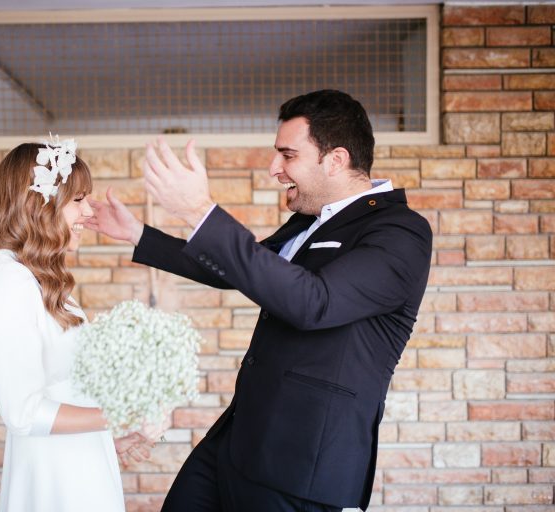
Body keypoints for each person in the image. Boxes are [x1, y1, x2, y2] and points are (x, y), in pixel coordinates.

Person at [86, 90, 433, 512]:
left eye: (288, 155)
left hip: (303, 467)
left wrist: (200, 211)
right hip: (237, 441)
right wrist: (137, 233)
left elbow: (315, 303)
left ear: (336, 160)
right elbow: (237, 268)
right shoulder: (308, 222)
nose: (274, 169)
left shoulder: (400, 231)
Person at [0, 140, 151, 512]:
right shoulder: (8, 281)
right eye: (78, 199)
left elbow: (62, 390)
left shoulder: (34, 277)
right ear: (38, 204)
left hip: (75, 463)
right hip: (55, 481)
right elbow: (23, 413)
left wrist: (106, 436)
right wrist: (117, 415)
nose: (88, 211)